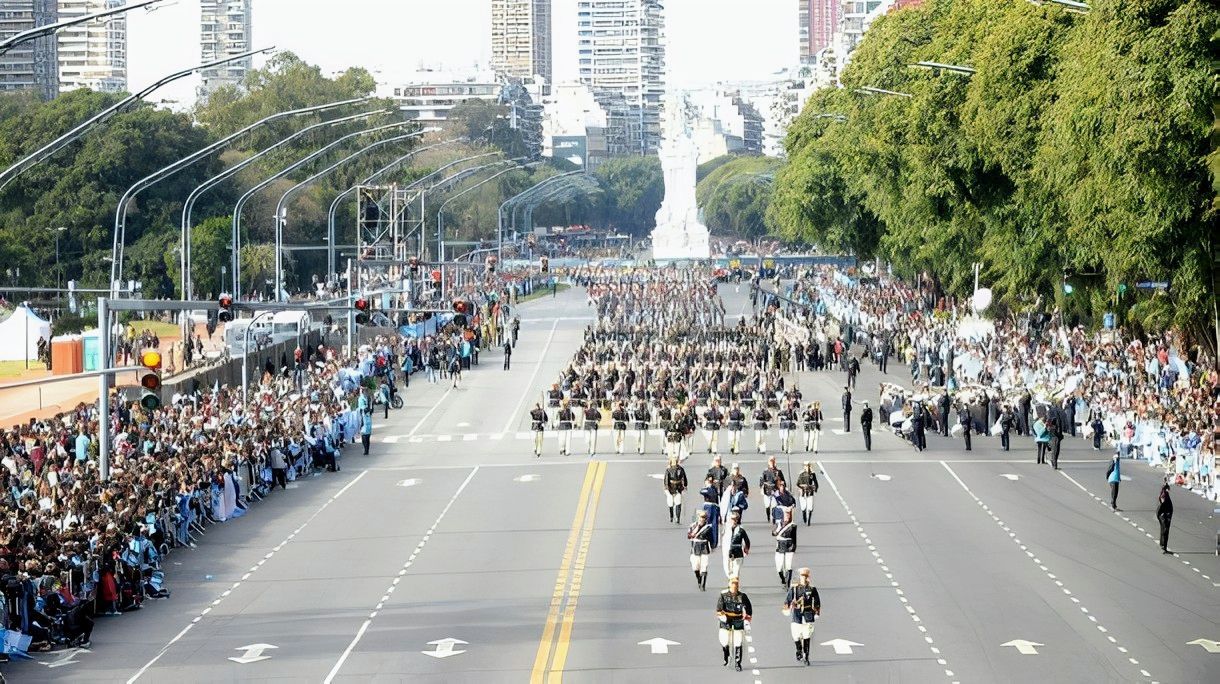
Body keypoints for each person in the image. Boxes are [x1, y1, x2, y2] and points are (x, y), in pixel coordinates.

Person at [784, 567, 822, 666]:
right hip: (797, 615)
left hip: (808, 614)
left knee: (807, 636)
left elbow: (817, 602)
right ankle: (798, 649)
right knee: (796, 636)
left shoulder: (812, 589)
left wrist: (817, 612)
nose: (804, 578)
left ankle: (806, 656)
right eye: (802, 576)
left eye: (805, 576)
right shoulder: (795, 589)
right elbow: (787, 600)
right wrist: (787, 608)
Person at [716, 576, 753, 671]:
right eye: (733, 586)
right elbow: (719, 609)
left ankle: (738, 663)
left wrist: (747, 620)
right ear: (729, 586)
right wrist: (722, 617)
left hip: (738, 620)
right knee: (724, 640)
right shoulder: (723, 595)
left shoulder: (742, 596)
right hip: (726, 620)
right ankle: (726, 655)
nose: (734, 588)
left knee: (738, 641)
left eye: (736, 586)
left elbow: (749, 608)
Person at [688, 510, 714, 591]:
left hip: (704, 547)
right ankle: (699, 579)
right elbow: (689, 536)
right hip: (695, 547)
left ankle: (703, 585)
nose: (702, 519)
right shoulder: (692, 526)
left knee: (704, 566)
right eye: (700, 517)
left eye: (703, 518)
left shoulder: (708, 527)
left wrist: (712, 547)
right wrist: (697, 528)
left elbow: (711, 539)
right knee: (695, 566)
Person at [772, 509, 797, 587]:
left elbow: (794, 537)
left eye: (788, 514)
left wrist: (794, 547)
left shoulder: (793, 525)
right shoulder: (779, 524)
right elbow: (774, 533)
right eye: (786, 514)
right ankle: (782, 578)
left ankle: (788, 583)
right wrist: (776, 530)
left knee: (788, 566)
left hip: (789, 545)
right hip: (780, 545)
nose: (787, 516)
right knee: (779, 567)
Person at [724, 511, 750, 579]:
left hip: (738, 552)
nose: (733, 521)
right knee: (729, 571)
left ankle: (734, 588)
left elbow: (747, 541)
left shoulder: (741, 530)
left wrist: (746, 548)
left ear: (737, 520)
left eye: (735, 519)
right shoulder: (726, 530)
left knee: (736, 571)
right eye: (732, 519)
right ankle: (731, 586)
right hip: (728, 552)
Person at [759, 456, 785, 523]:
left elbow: (783, 480)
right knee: (767, 505)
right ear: (768, 462)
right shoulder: (765, 471)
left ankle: (773, 517)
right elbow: (762, 480)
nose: (772, 463)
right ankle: (768, 515)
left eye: (773, 461)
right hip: (767, 490)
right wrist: (762, 486)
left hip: (775, 490)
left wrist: (782, 486)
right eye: (771, 461)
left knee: (774, 505)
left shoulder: (778, 471)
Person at [664, 456, 688, 524]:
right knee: (670, 502)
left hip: (678, 487)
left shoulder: (680, 469)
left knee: (678, 502)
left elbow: (684, 477)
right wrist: (666, 487)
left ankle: (678, 518)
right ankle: (671, 515)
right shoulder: (668, 470)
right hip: (670, 487)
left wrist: (685, 485)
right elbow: (666, 479)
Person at [796, 461, 818, 525]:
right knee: (803, 507)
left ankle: (809, 520)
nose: (807, 467)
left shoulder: (812, 474)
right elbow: (798, 484)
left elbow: (816, 483)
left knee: (810, 507)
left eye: (808, 466)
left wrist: (815, 489)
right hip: (802, 493)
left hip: (810, 492)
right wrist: (802, 487)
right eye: (805, 466)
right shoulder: (801, 474)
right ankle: (804, 517)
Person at [1155, 481, 1173, 553]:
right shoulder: (1163, 495)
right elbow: (1162, 505)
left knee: (1164, 529)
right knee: (1165, 530)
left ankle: (1163, 545)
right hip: (1163, 514)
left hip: (1165, 514)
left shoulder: (1164, 495)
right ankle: (1163, 546)